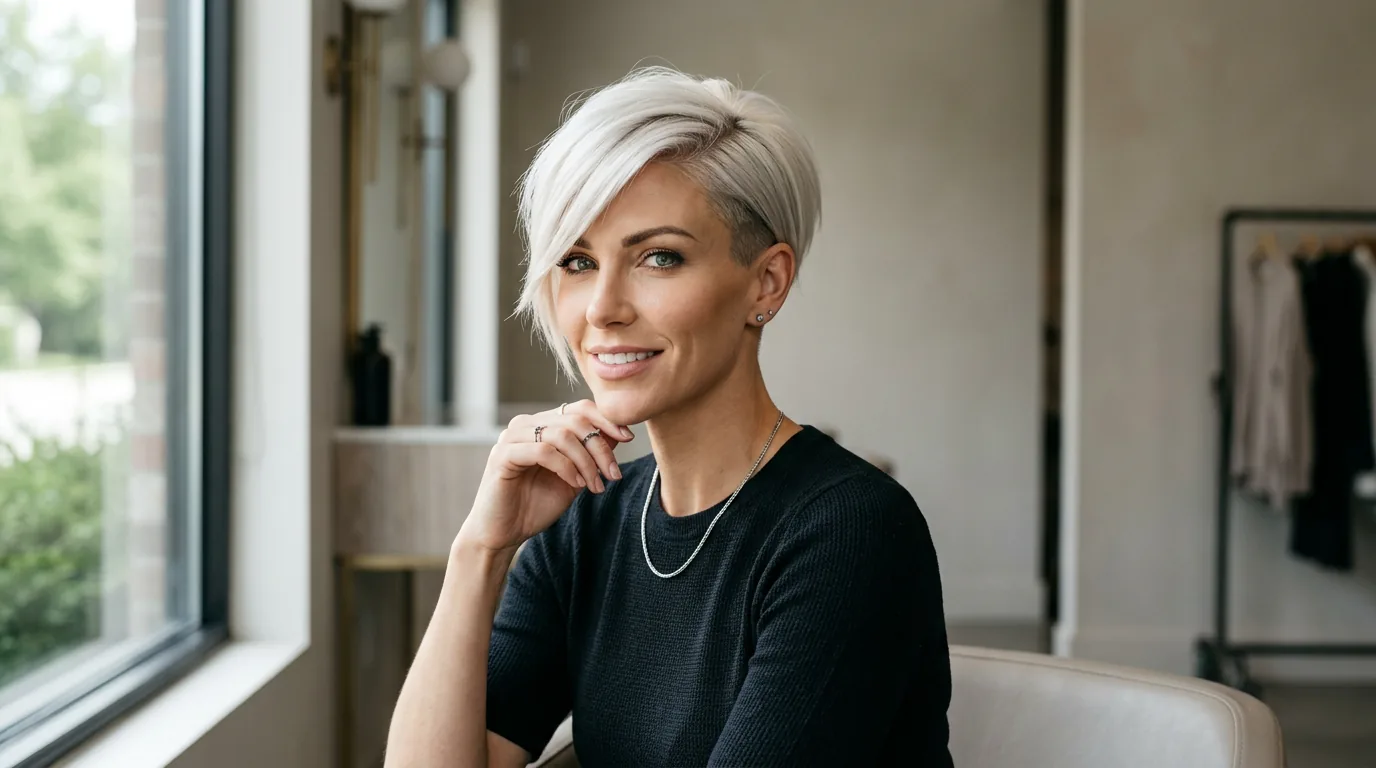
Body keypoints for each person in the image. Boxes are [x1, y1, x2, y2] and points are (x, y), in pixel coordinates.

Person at [385, 66, 952, 767]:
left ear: (766, 282)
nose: (602, 310)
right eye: (577, 260)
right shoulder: (585, 523)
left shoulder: (851, 535)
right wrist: (481, 550)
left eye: (659, 257)